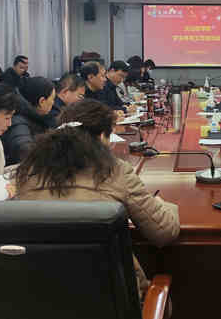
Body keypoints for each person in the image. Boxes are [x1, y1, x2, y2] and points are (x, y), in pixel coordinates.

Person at [14, 99, 179, 298]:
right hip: (113, 300)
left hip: (39, 296)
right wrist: (165, 206)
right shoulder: (115, 171)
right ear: (101, 137)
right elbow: (164, 232)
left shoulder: (28, 171)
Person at [0, 76, 55, 165]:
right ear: (42, 101)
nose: (53, 103)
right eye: (52, 99)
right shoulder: (18, 122)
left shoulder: (36, 117)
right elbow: (24, 150)